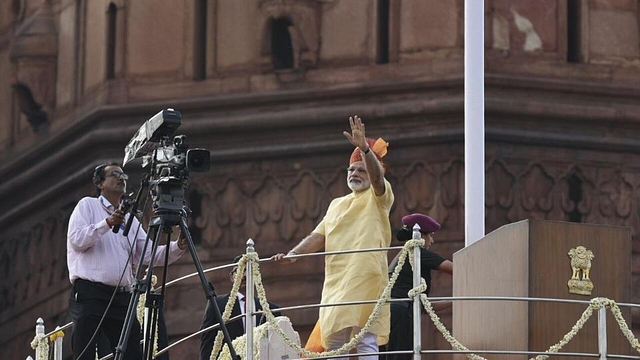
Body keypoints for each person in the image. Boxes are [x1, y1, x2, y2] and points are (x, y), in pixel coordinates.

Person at [272, 115, 394, 359]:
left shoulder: (379, 197)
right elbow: (318, 236)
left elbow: (378, 179)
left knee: (365, 337)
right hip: (336, 282)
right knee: (335, 339)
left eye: (361, 170)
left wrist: (364, 150)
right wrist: (293, 255)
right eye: (351, 169)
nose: (355, 173)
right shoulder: (336, 204)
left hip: (366, 276)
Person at [67, 162, 187, 360]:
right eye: (115, 174)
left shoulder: (130, 220)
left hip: (121, 297)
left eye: (124, 176)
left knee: (132, 352)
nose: (121, 178)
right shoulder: (88, 205)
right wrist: (107, 223)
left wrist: (178, 246)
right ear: (100, 184)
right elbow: (77, 240)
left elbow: (149, 254)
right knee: (84, 351)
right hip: (90, 293)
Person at [383, 213, 453, 360]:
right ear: (420, 236)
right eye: (430, 235)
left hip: (393, 314)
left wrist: (456, 301)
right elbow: (453, 269)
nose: (432, 241)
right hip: (400, 314)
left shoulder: (405, 255)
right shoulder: (417, 252)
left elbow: (425, 306)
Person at [199, 255, 281, 360]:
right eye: (240, 270)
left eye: (250, 270)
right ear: (232, 277)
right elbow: (207, 341)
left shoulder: (271, 310)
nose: (245, 275)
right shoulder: (217, 304)